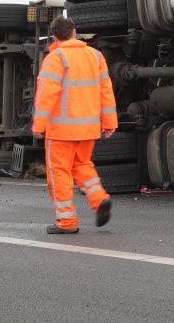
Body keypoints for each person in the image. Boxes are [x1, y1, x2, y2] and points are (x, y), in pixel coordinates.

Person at [32, 16, 117, 234]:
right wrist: (109, 122)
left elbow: (46, 95)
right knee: (82, 166)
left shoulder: (56, 58)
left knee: (59, 173)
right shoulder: (96, 56)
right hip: (88, 128)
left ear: (54, 36)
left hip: (61, 130)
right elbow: (105, 91)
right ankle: (99, 199)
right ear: (75, 31)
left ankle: (66, 222)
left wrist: (38, 125)